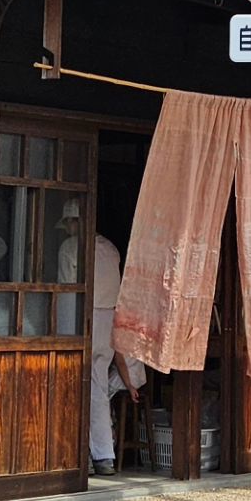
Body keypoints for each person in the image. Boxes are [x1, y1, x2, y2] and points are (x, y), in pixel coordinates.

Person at [57, 199, 144, 476]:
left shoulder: (70, 247)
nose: (68, 228)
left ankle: (81, 453)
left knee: (75, 386)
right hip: (109, 320)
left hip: (82, 318)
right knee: (96, 387)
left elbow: (67, 291)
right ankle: (103, 454)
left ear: (74, 222)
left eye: (69, 222)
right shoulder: (110, 248)